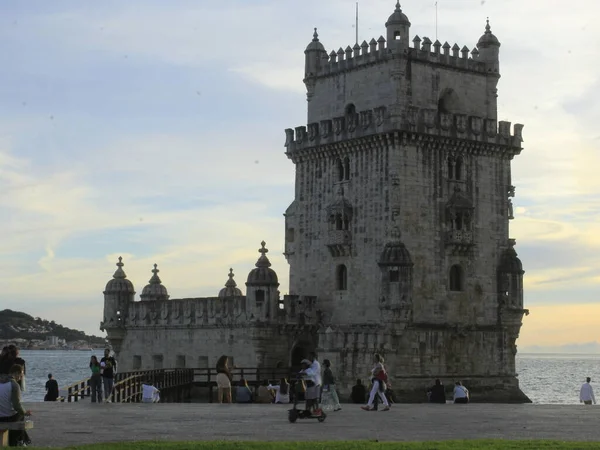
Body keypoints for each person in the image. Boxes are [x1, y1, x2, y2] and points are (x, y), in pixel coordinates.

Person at [0, 364, 32, 447]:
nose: (21, 378)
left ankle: (23, 440)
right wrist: (25, 412)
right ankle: (17, 441)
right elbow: (17, 406)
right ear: (17, 373)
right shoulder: (14, 385)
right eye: (21, 375)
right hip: (7, 417)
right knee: (20, 415)